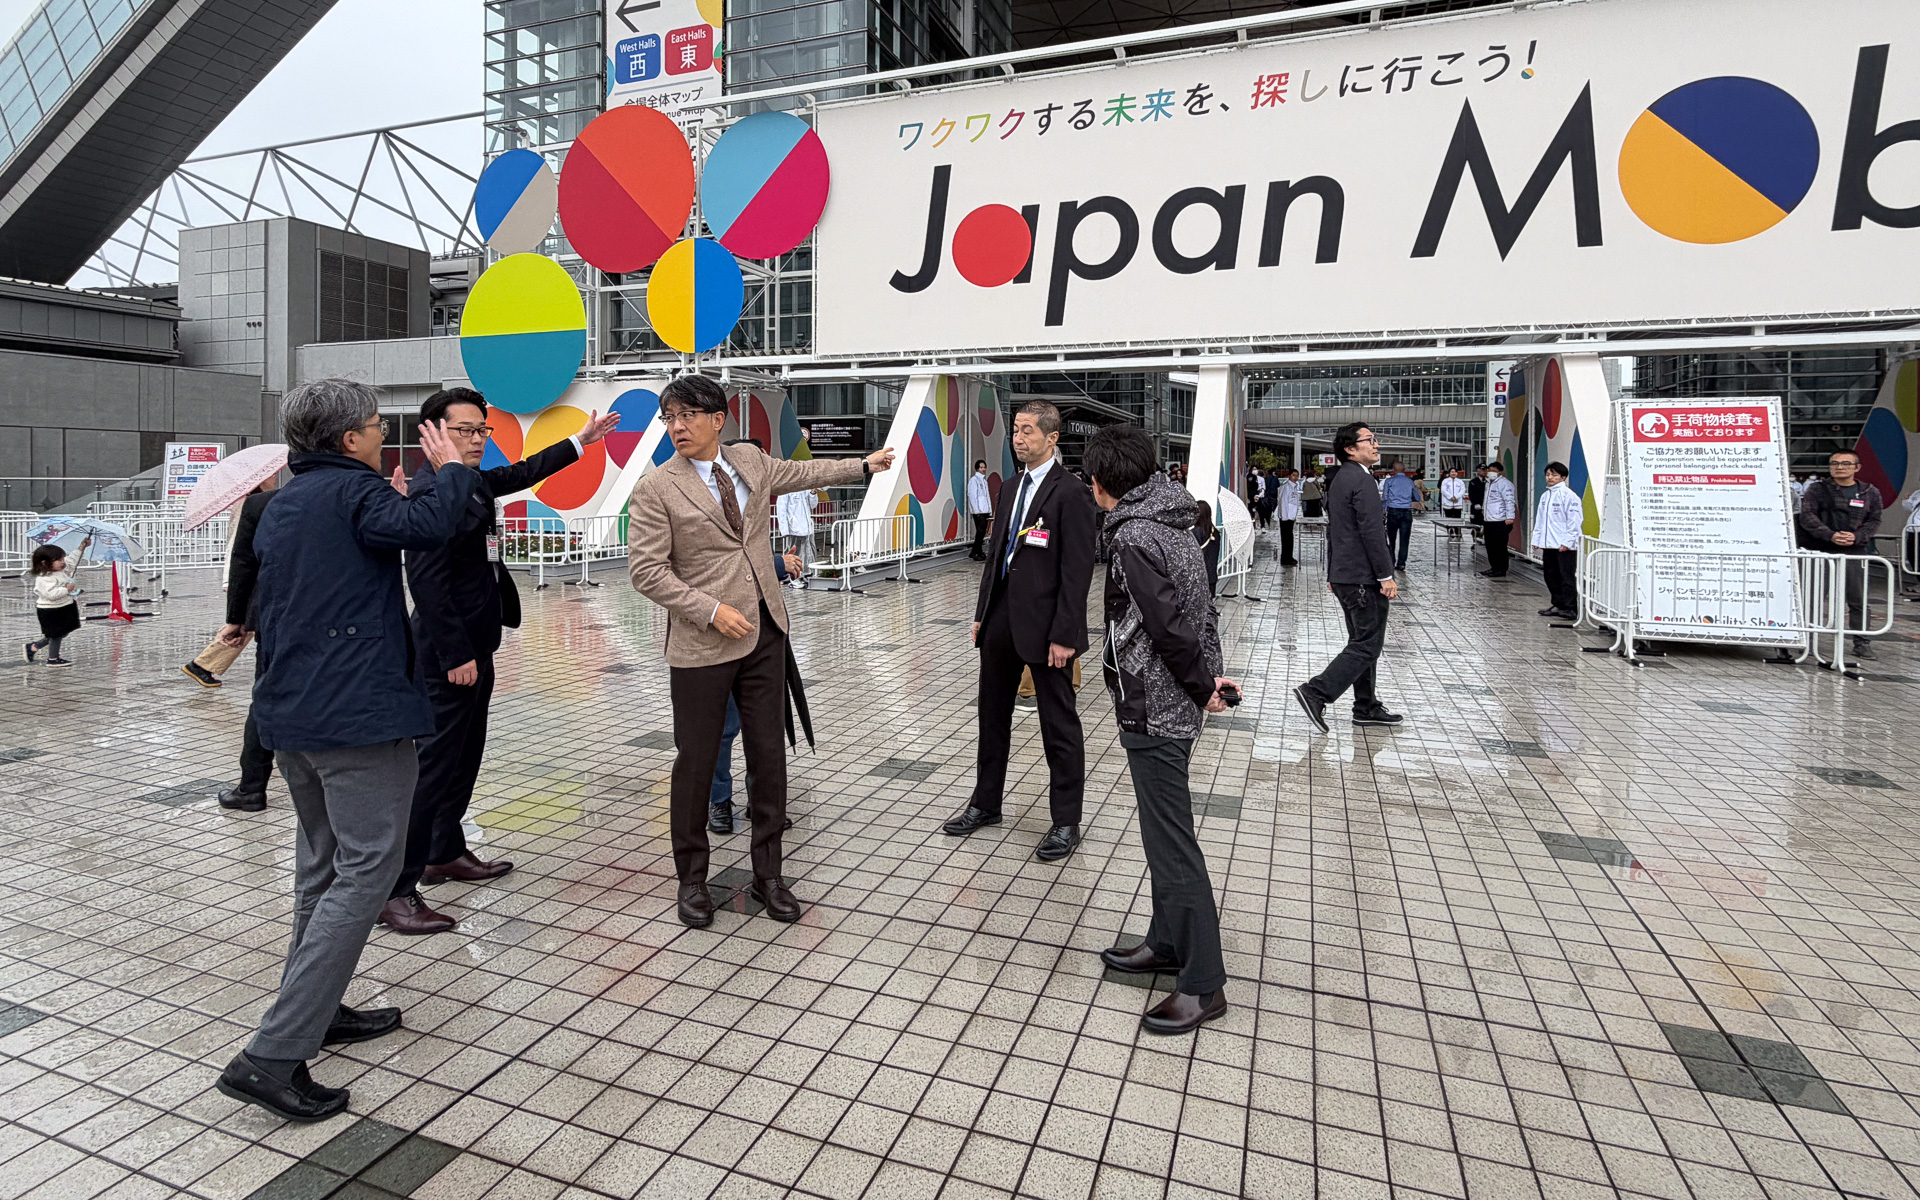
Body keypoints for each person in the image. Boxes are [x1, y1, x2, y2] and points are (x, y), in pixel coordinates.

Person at [217, 378, 475, 1123]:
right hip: (356, 720)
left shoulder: (282, 502)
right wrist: (451, 466)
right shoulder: (354, 494)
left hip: (290, 717)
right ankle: (270, 1056)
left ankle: (317, 1011)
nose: (381, 434)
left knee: (321, 869)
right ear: (347, 441)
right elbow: (428, 526)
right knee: (368, 870)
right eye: (372, 426)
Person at [628, 375, 894, 929]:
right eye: (669, 418)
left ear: (717, 419)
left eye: (687, 416)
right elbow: (646, 571)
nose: (676, 426)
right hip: (703, 644)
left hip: (765, 633)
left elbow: (802, 473)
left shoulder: (747, 459)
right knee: (697, 764)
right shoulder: (657, 488)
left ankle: (769, 874)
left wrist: (863, 466)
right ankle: (692, 881)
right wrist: (708, 609)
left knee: (769, 758)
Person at [377, 387, 618, 936]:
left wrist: (579, 442)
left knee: (464, 757)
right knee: (433, 766)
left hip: (476, 646)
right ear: (432, 434)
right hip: (448, 654)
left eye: (482, 431)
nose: (478, 440)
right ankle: (396, 889)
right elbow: (427, 579)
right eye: (465, 430)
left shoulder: (472, 481)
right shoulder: (431, 489)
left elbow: (524, 471)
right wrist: (457, 651)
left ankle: (445, 849)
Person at [1084, 425, 1237, 1035]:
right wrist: (1210, 679)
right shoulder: (1175, 519)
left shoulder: (1133, 536)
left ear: (1099, 484)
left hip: (1156, 702)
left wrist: (1203, 686)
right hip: (1175, 696)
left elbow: (1169, 624)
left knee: (1172, 844)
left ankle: (1204, 984)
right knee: (1159, 834)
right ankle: (1166, 941)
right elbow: (1200, 607)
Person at [941, 400, 1098, 863]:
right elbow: (997, 555)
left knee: (1058, 725)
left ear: (1052, 438)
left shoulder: (1071, 493)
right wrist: (981, 612)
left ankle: (1066, 821)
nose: (1018, 437)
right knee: (992, 717)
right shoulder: (1009, 488)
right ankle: (985, 804)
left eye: (1028, 431)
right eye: (1015, 430)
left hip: (1050, 628)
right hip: (1001, 620)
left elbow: (1078, 570)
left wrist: (1065, 634)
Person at [1293, 422, 1402, 733]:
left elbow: (1338, 531)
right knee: (1367, 645)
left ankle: (1365, 705)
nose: (1376, 445)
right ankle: (1316, 692)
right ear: (1350, 449)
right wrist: (1385, 575)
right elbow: (1372, 532)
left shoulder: (1342, 478)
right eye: (1369, 440)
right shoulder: (1361, 481)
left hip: (1347, 575)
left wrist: (1334, 571)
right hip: (1363, 578)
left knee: (1362, 642)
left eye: (1375, 439)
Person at [709, 546, 804, 834]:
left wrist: (775, 564)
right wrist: (777, 564)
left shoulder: (753, 504)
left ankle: (760, 800)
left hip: (761, 635)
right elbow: (721, 564)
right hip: (718, 637)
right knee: (722, 729)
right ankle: (719, 801)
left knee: (763, 728)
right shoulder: (702, 506)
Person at [206, 483, 282, 812]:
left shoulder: (262, 505)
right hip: (337, 621)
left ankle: (252, 786)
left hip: (274, 616)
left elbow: (243, 562)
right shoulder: (357, 495)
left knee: (265, 699)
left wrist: (236, 618)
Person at [182, 479, 281, 689]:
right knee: (243, 625)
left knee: (246, 625)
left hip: (246, 577)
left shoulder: (256, 502)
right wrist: (233, 580)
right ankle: (203, 664)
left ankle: (203, 664)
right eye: (271, 476)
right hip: (245, 577)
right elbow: (239, 548)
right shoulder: (252, 504)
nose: (274, 479)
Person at [1799, 450, 1884, 660]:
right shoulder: (1817, 489)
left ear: (1857, 467)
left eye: (1846, 463)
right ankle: (1807, 641)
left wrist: (1856, 537)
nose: (1839, 467)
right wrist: (1830, 535)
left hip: (1854, 551)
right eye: (1834, 463)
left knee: (1858, 599)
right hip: (1821, 550)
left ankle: (1862, 642)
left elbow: (1874, 520)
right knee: (1814, 597)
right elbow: (1807, 516)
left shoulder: (1869, 492)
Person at [1532, 462, 1583, 619]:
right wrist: (1536, 539)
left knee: (1566, 577)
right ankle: (1558, 604)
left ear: (1563, 477)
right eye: (1548, 474)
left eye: (1554, 475)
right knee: (1550, 575)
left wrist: (1567, 542)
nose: (1550, 478)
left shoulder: (1569, 496)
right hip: (1549, 544)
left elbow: (1574, 521)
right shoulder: (1545, 496)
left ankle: (1570, 608)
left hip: (1564, 546)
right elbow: (1540, 520)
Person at [24, 540, 86, 667]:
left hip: (65, 606)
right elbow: (51, 595)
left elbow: (72, 561)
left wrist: (81, 548)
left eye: (63, 558)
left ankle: (34, 647)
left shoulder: (61, 569)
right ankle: (53, 658)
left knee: (63, 631)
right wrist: (66, 589)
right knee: (55, 634)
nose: (63, 562)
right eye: (58, 560)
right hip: (51, 610)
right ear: (44, 563)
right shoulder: (44, 578)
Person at [777, 484, 817, 588]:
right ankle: (793, 578)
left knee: (809, 553)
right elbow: (781, 510)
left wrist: (813, 493)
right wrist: (785, 530)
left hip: (807, 528)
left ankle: (805, 574)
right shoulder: (786, 489)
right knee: (795, 554)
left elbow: (813, 505)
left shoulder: (805, 488)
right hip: (794, 529)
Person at [1481, 462, 1517, 578]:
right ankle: (1494, 567)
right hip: (1488, 520)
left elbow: (1509, 501)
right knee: (1490, 545)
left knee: (1499, 546)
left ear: (1499, 472)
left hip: (1500, 520)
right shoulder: (1488, 483)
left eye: (1493, 470)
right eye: (1489, 470)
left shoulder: (1505, 484)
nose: (1490, 472)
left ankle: (1501, 569)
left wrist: (1510, 517)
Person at [1381, 463, 1419, 570]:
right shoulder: (1410, 482)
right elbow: (1416, 497)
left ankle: (1391, 560)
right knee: (1404, 539)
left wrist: (1384, 509)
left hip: (1393, 511)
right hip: (1406, 512)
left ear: (1393, 470)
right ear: (1404, 470)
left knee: (1391, 538)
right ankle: (1401, 563)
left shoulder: (1389, 481)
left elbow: (1384, 497)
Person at [1275, 468, 1303, 566]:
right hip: (1285, 517)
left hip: (1291, 517)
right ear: (1289, 476)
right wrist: (1284, 517)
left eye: (1297, 475)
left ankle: (1289, 557)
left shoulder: (1295, 487)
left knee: (1290, 538)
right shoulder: (1286, 487)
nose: (1295, 477)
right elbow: (1283, 502)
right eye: (1293, 475)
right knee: (1286, 538)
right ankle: (1285, 559)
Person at [967, 459, 994, 560]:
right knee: (980, 531)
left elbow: (987, 497)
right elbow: (972, 496)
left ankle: (978, 550)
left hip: (985, 510)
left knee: (982, 532)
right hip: (979, 511)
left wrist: (990, 510)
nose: (983, 469)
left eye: (984, 467)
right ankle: (975, 551)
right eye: (981, 467)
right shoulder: (974, 480)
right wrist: (976, 510)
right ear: (977, 468)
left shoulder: (984, 481)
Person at [1440, 469, 1468, 539]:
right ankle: (1450, 531)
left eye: (1455, 472)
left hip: (1457, 504)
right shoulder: (1445, 481)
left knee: (1457, 519)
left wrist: (1456, 497)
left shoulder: (1460, 481)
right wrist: (1450, 497)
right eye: (1452, 472)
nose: (1453, 473)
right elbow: (1443, 490)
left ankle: (1458, 532)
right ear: (1449, 473)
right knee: (1448, 519)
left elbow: (1462, 490)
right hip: (1448, 504)